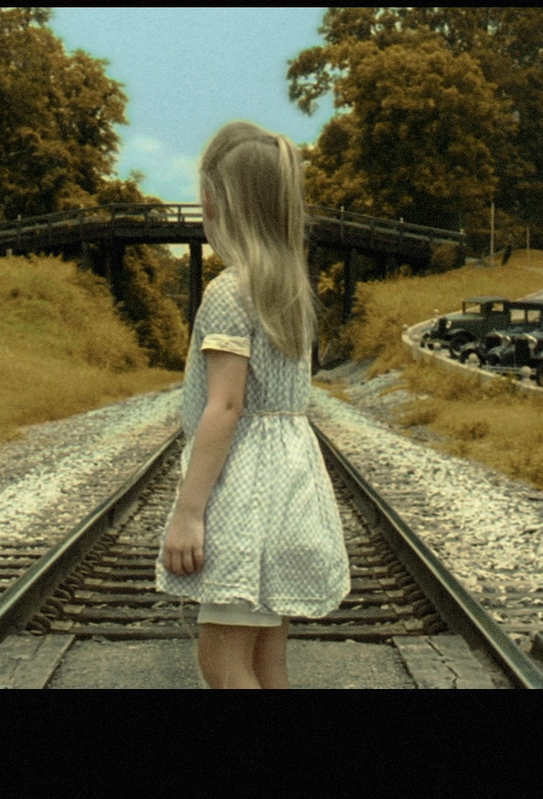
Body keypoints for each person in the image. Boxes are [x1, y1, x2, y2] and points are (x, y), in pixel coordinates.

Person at [156, 121, 350, 689]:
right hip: (289, 493)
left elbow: (225, 407)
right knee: (267, 660)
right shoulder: (288, 289)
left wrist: (189, 512)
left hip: (244, 504)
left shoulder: (227, 292)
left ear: (215, 201)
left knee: (220, 662)